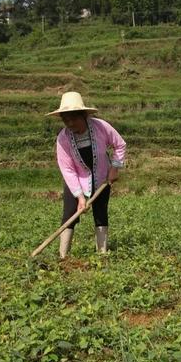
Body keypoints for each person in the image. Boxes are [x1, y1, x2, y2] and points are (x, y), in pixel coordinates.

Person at [47, 91, 126, 258]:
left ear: (83, 115)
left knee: (100, 212)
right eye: (65, 119)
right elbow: (67, 169)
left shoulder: (101, 127)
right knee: (69, 213)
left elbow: (119, 145)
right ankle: (63, 256)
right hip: (76, 182)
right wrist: (80, 197)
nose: (70, 123)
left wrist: (115, 168)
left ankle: (102, 253)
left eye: (73, 118)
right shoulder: (63, 139)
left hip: (102, 178)